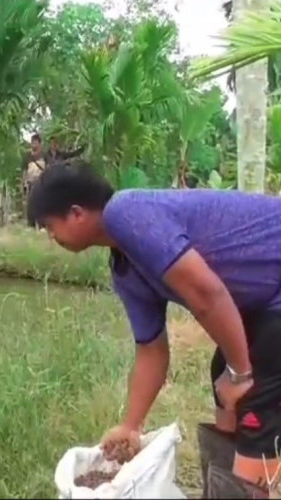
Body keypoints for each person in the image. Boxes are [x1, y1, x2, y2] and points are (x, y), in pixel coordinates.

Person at [27, 160, 281, 497]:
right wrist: (131, 425)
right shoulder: (125, 269)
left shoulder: (126, 212)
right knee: (224, 370)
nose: (51, 237)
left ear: (76, 213)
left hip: (272, 297)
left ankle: (251, 483)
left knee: (253, 386)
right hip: (263, 301)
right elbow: (151, 350)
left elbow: (208, 295)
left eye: (49, 226)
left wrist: (241, 375)